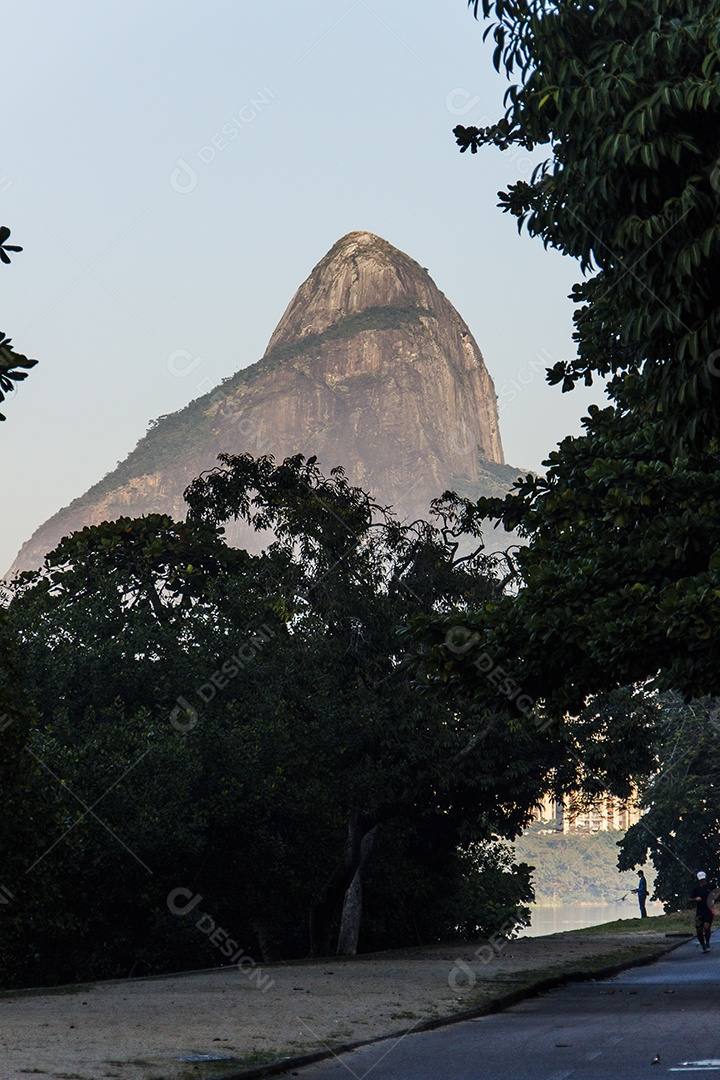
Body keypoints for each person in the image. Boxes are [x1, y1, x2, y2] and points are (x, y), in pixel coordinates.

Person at [690, 871, 716, 952]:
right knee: (699, 930)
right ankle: (703, 945)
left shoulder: (711, 886)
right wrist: (695, 899)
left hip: (709, 910)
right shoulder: (696, 889)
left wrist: (714, 899)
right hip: (700, 911)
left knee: (707, 927)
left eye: (704, 880)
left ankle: (707, 942)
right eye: (701, 880)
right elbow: (690, 898)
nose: (703, 882)